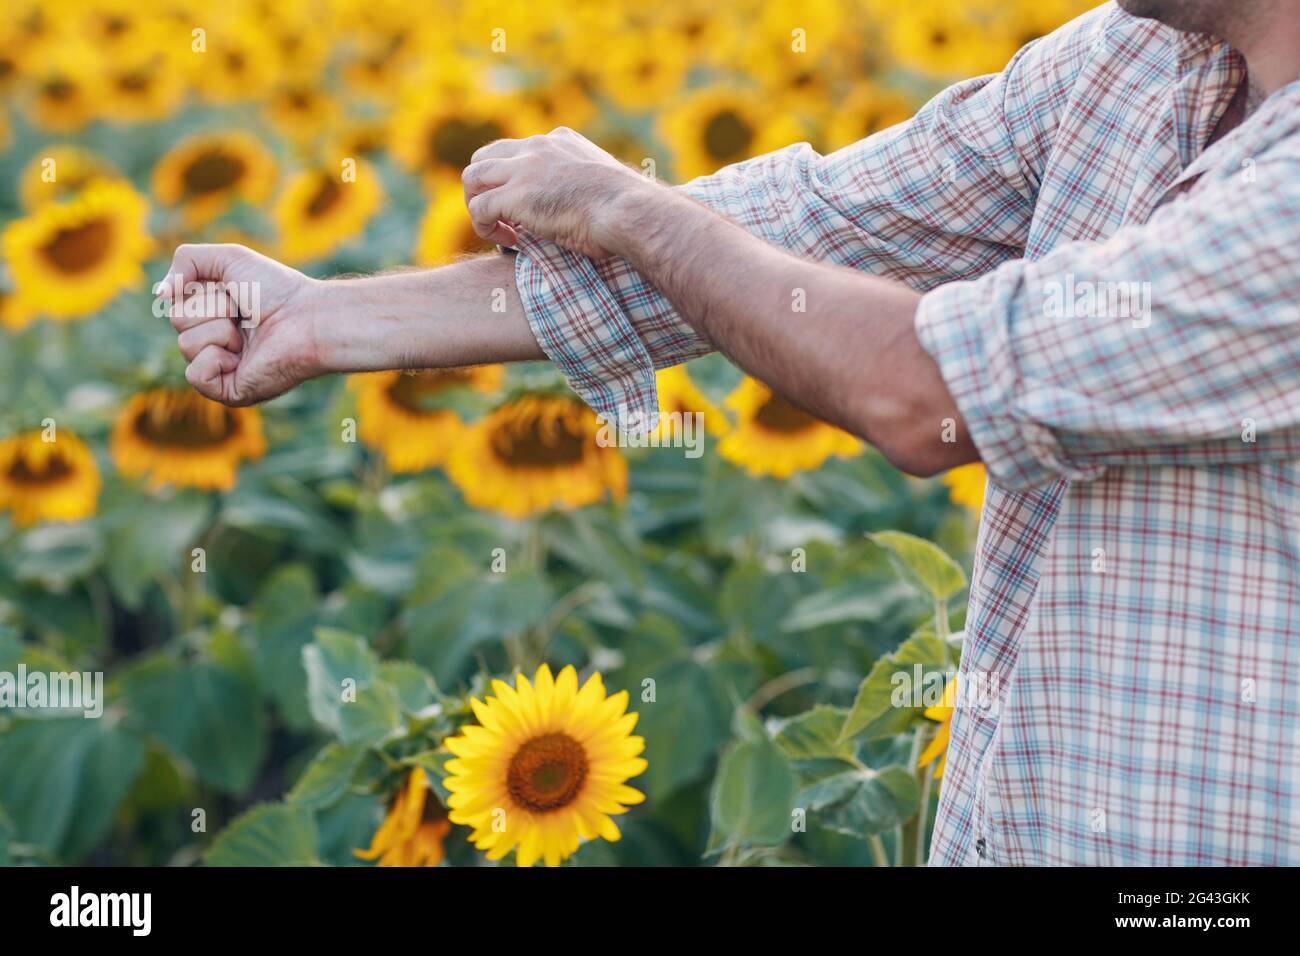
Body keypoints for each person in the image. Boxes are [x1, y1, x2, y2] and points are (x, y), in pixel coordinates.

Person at [161, 0, 1300, 865]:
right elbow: (811, 232)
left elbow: (927, 388)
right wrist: (323, 316)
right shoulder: (1133, 64)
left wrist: (629, 207)